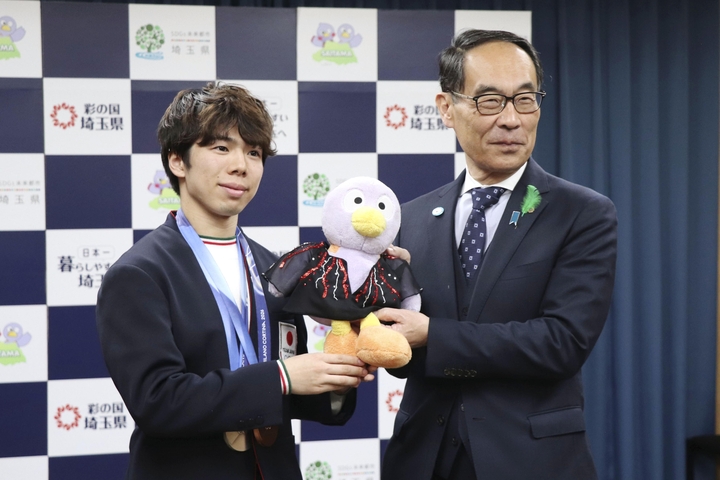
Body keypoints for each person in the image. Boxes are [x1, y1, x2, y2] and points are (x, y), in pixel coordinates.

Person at [96, 82, 373, 480]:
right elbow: (158, 402)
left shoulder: (275, 268)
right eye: (221, 148)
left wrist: (337, 378)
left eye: (254, 152)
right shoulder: (139, 273)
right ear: (177, 161)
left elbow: (291, 387)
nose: (241, 165)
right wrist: (281, 377)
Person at [377, 30, 617, 480]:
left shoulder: (581, 213)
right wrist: (372, 323)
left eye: (525, 100)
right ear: (447, 108)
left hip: (530, 461)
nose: (511, 120)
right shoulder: (410, 218)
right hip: (422, 458)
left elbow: (562, 343)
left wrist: (432, 335)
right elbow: (403, 357)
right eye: (490, 101)